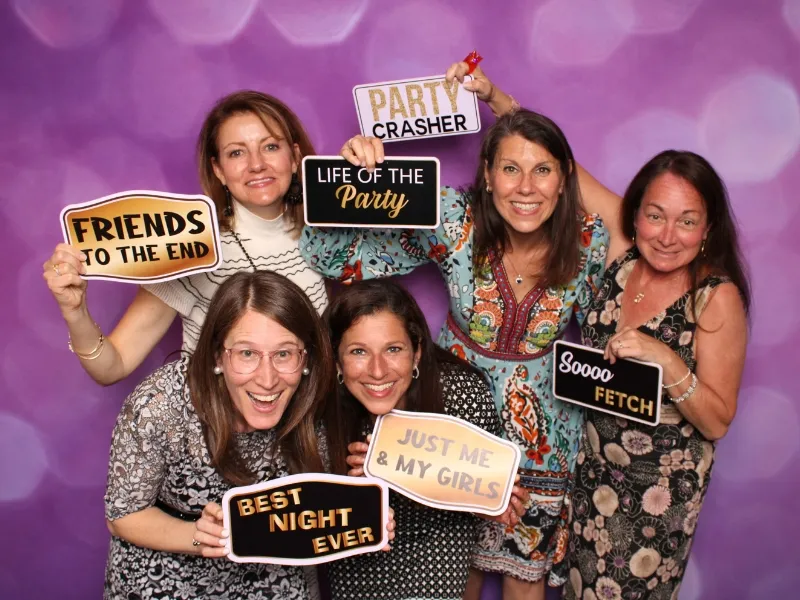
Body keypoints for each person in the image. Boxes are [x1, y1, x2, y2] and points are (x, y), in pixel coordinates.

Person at [300, 94, 610, 597]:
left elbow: (608, 322)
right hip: (451, 418)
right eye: (510, 168)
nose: (526, 187)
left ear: (565, 177)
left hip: (544, 435)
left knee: (524, 578)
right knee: (450, 568)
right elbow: (334, 256)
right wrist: (351, 177)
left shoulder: (588, 239)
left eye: (543, 170)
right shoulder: (454, 220)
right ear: (487, 175)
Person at [42, 90, 328, 385]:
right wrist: (75, 312)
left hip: (307, 426)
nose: (256, 164)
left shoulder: (326, 234)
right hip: (220, 428)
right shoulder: (192, 247)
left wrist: (369, 170)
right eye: (237, 153)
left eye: (270, 146)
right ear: (218, 170)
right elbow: (113, 366)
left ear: (294, 158)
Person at [562, 151, 749, 600]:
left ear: (707, 229)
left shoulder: (714, 298)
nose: (667, 236)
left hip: (655, 503)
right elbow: (563, 166)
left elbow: (717, 421)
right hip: (591, 480)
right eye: (655, 216)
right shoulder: (621, 255)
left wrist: (667, 360)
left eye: (686, 221)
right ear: (636, 215)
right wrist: (495, 99)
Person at [103, 270, 336, 599]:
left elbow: (317, 506)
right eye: (247, 354)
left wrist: (366, 513)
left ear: (306, 358)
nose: (267, 380)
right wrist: (200, 535)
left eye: (283, 354)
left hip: (271, 580)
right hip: (165, 579)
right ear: (217, 356)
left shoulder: (312, 404)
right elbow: (122, 514)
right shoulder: (160, 404)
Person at [321, 279, 525, 600]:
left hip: (436, 543)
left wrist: (492, 501)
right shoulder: (322, 409)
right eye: (359, 351)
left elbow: (487, 488)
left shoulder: (460, 394)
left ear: (416, 352)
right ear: (336, 360)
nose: (377, 371)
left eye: (393, 349)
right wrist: (347, 495)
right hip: (356, 562)